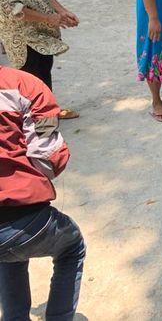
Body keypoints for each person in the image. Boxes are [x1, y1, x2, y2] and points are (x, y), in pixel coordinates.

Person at [0, 65, 86, 321]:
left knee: (8, 254)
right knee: (72, 246)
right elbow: (47, 158)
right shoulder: (25, 85)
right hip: (22, 216)